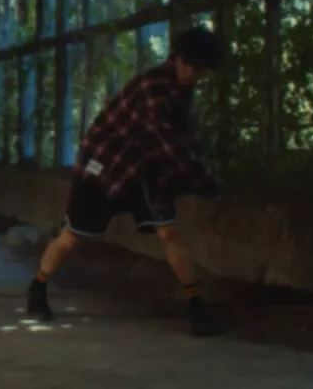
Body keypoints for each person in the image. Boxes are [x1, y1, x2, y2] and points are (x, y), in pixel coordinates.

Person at [26, 26, 225, 337]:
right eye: (196, 70)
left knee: (169, 232)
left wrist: (206, 175)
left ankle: (197, 307)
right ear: (181, 60)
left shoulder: (182, 90)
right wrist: (204, 180)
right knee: (72, 236)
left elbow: (185, 139)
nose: (197, 77)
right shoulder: (152, 86)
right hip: (106, 165)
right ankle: (38, 286)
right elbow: (166, 142)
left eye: (203, 72)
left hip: (146, 168)